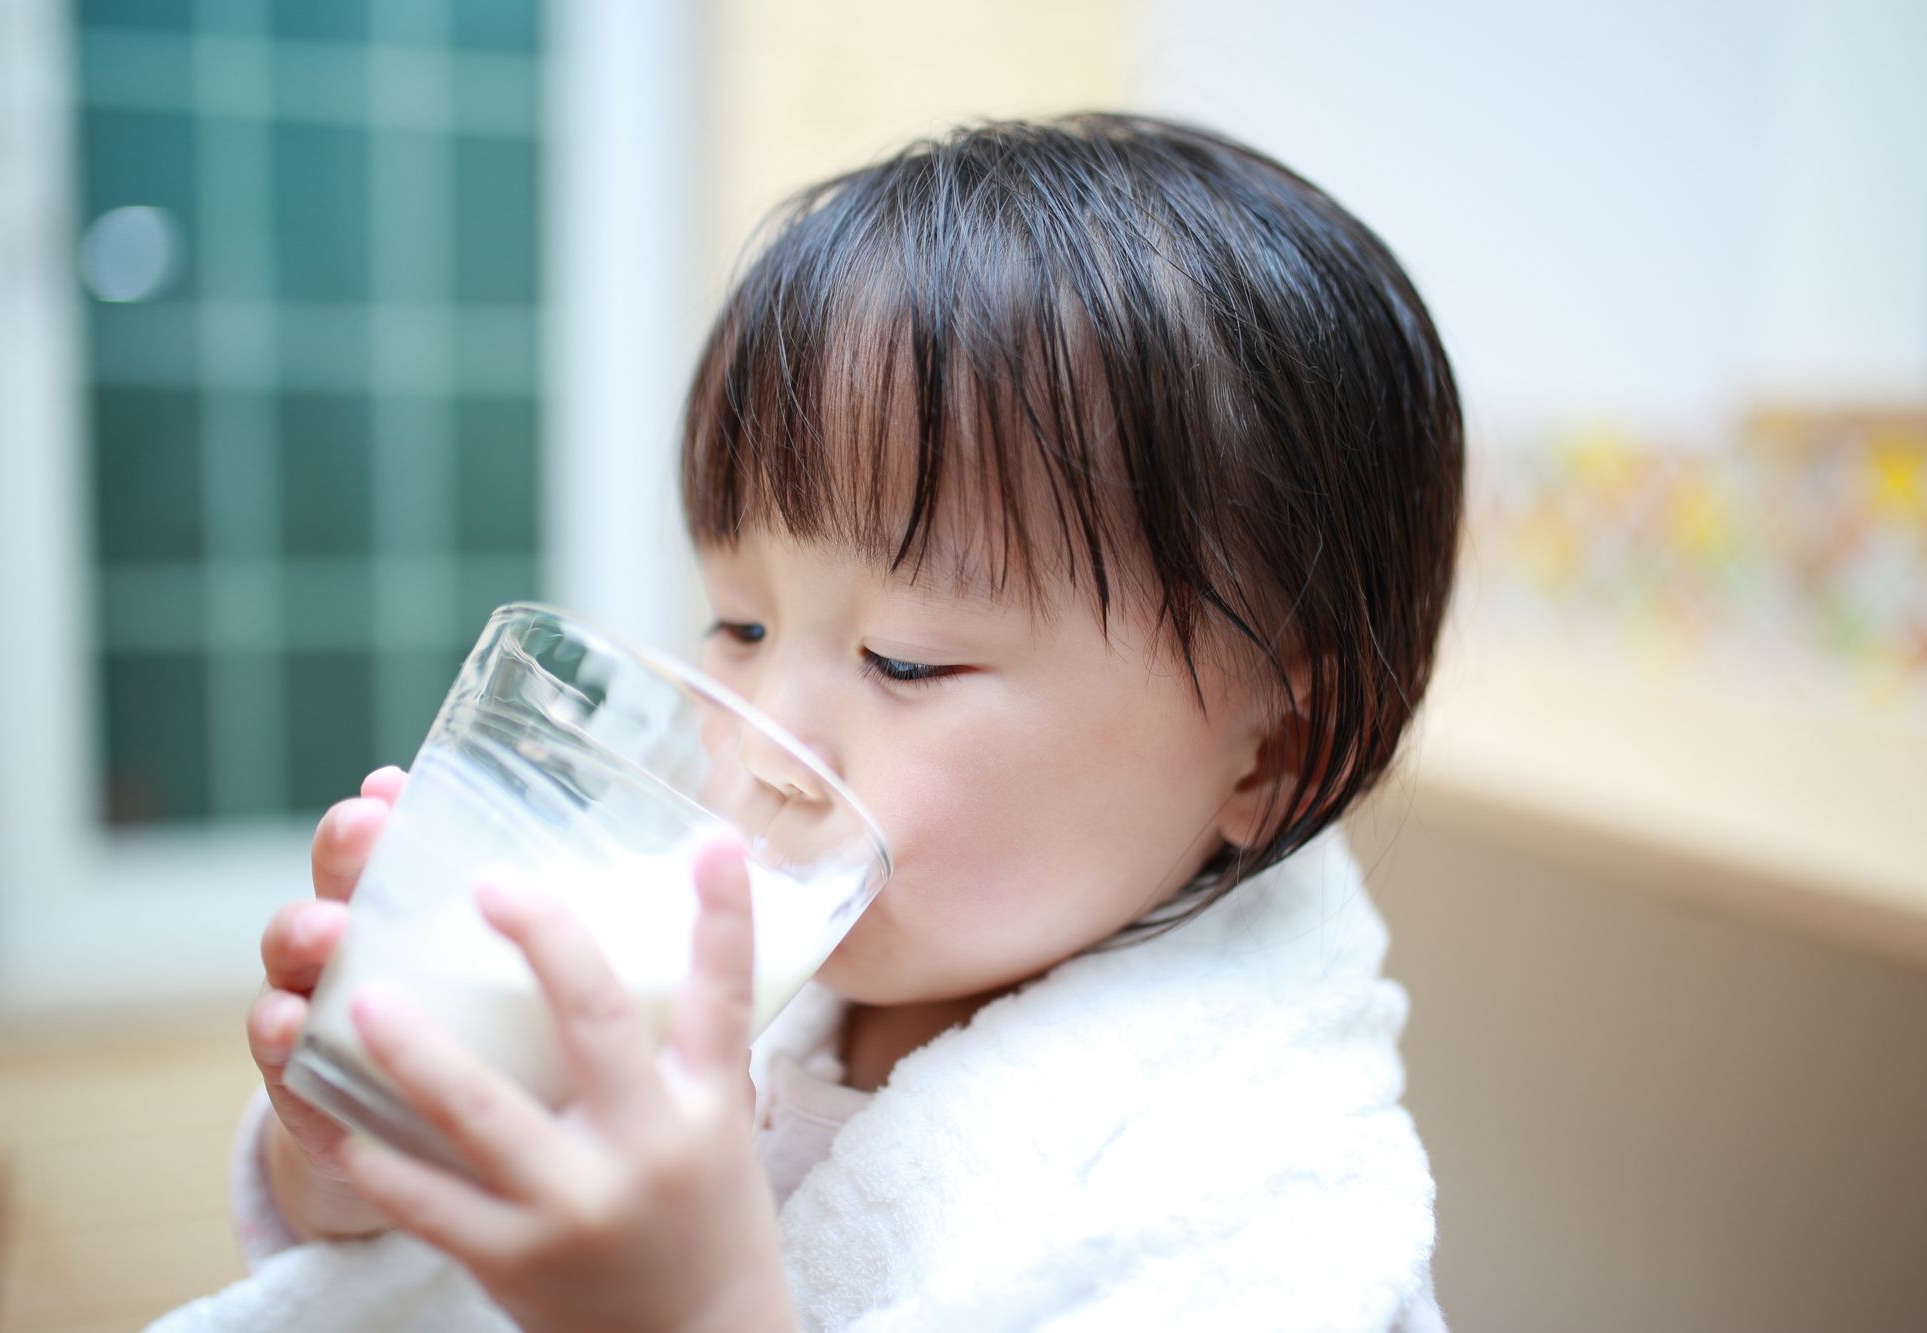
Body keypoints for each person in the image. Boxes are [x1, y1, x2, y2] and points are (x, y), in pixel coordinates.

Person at [156, 111, 1463, 1332]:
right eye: (739, 623)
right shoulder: (738, 967)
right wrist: (361, 1158)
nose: (767, 741)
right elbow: (419, 1269)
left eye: (905, 660)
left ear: (1272, 751)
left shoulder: (1258, 1197)